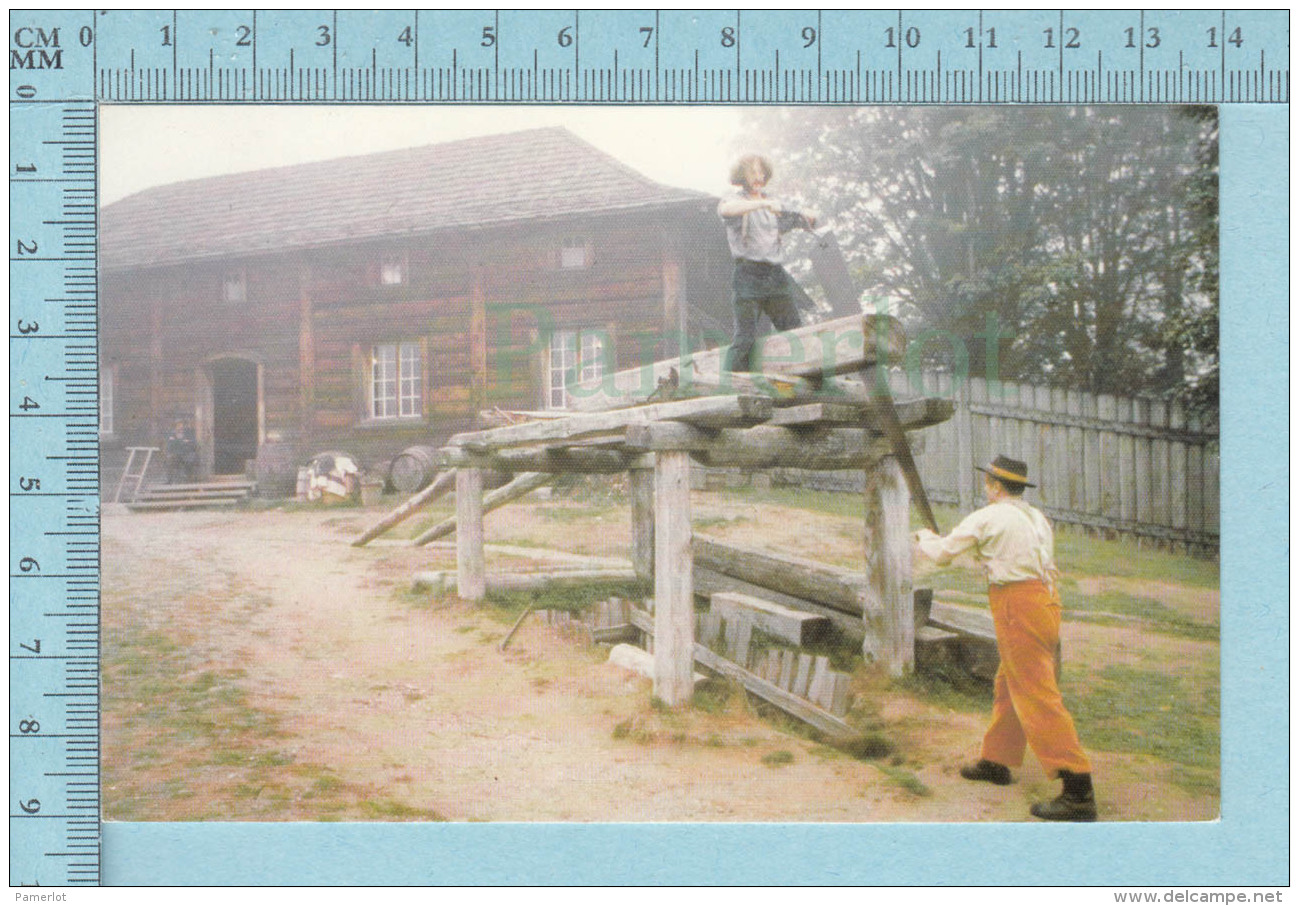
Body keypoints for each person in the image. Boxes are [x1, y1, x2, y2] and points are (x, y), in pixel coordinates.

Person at [913, 455, 1097, 822]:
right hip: (1045, 600)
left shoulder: (990, 516)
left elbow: (944, 554)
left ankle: (1078, 788)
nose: (986, 488)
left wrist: (924, 537)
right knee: (1010, 682)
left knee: (1035, 690)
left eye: (987, 483)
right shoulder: (1037, 518)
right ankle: (997, 760)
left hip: (1018, 602)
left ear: (995, 486)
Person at [717, 154, 816, 373]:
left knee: (794, 332)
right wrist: (761, 204)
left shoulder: (776, 206)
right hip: (748, 275)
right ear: (742, 175)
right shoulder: (735, 201)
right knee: (745, 338)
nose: (758, 177)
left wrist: (809, 216)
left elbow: (806, 219)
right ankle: (730, 387)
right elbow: (726, 210)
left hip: (775, 276)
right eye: (753, 172)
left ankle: (811, 380)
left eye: (761, 172)